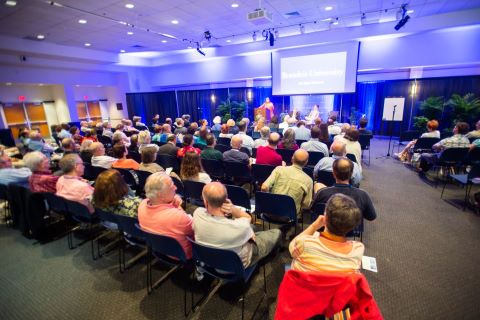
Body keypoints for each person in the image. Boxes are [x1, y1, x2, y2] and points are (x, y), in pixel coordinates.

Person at [193, 182, 281, 267]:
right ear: (226, 199)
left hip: (210, 262)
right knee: (277, 232)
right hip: (237, 265)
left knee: (252, 228)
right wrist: (233, 209)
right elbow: (249, 218)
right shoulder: (240, 226)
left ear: (206, 202)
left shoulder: (197, 214)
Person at [289, 193, 364, 273]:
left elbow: (292, 247)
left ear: (325, 217)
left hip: (303, 284)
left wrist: (314, 226)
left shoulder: (305, 243)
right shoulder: (358, 249)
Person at [138, 172, 194, 258]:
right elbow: (194, 230)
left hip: (157, 248)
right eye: (172, 187)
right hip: (180, 255)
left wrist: (172, 205)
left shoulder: (142, 205)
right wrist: (179, 207)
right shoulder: (177, 216)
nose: (176, 188)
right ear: (161, 195)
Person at [312, 158, 376, 222]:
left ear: (333, 174)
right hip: (351, 229)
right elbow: (371, 216)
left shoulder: (322, 193)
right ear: (351, 174)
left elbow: (313, 210)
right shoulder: (362, 195)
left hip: (326, 228)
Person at [261, 149, 313, 215]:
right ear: (306, 162)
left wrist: (269, 201)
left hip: (270, 212)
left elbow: (264, 187)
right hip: (290, 216)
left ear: (292, 158)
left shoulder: (279, 169)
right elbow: (306, 205)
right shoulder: (308, 180)